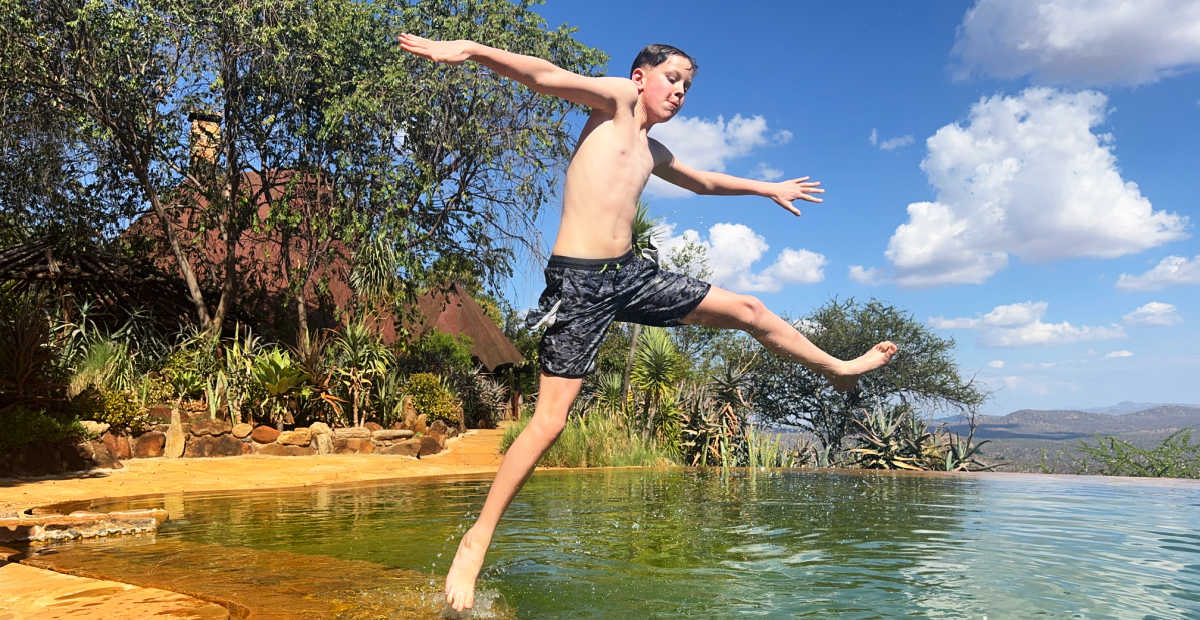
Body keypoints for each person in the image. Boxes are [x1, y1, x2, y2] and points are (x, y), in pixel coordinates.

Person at [398, 33, 898, 612]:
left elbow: (705, 182)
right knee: (550, 422)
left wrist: (767, 187)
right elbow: (543, 74)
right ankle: (475, 540)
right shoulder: (615, 101)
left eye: (688, 86)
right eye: (673, 79)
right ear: (640, 77)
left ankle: (837, 368)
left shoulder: (652, 152)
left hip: (630, 272)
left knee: (749, 309)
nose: (681, 92)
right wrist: (472, 50)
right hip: (581, 282)